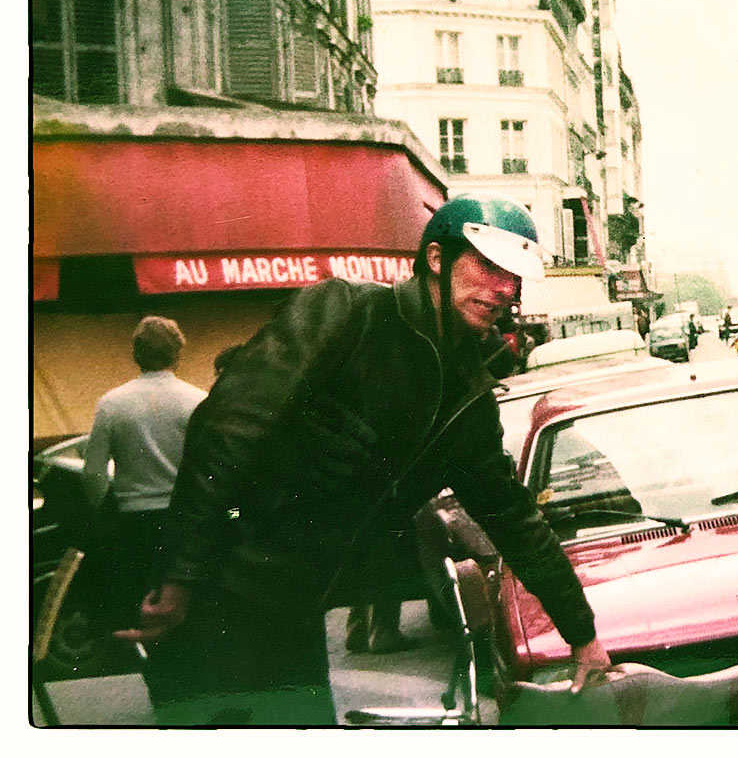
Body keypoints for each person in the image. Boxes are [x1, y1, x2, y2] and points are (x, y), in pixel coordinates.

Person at [119, 195, 611, 724]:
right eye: (487, 266)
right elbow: (226, 430)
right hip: (214, 590)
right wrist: (180, 576)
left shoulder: (467, 393)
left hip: (294, 604)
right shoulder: (346, 312)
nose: (503, 289)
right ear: (436, 260)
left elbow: (513, 518)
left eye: (513, 276)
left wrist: (582, 635)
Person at [81, 317, 208, 630]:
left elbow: (93, 474)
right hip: (183, 518)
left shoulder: (111, 404)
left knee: (137, 606)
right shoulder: (197, 401)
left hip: (132, 521)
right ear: (178, 353)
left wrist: (105, 510)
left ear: (135, 354)